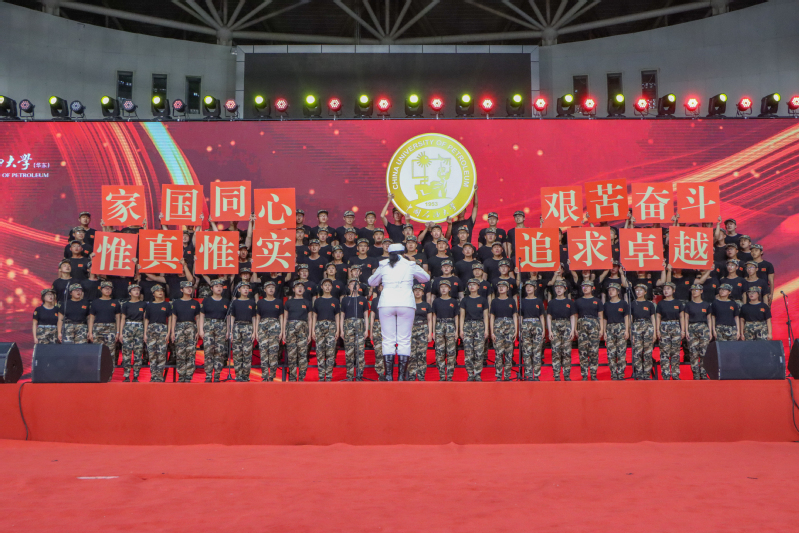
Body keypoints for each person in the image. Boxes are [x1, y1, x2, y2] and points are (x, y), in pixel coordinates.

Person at [367, 243, 431, 382]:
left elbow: (371, 282)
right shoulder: (410, 265)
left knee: (388, 339)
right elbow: (426, 278)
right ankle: (401, 376)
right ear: (403, 253)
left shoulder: (383, 265)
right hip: (405, 303)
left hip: (387, 303)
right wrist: (413, 262)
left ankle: (389, 376)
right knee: (404, 339)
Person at [199, 279, 230, 383]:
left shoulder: (226, 301)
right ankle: (208, 375)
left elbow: (228, 317)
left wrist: (228, 330)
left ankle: (217, 375)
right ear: (211, 288)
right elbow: (201, 315)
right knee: (208, 351)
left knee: (219, 352)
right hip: (208, 326)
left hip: (221, 326)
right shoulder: (206, 301)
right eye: (216, 286)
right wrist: (201, 330)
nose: (219, 288)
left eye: (220, 286)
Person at [169, 281, 200, 383]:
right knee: (180, 352)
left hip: (191, 327)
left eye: (190, 287)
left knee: (191, 352)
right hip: (179, 327)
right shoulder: (176, 303)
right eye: (186, 288)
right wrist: (172, 332)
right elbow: (174, 317)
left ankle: (189, 376)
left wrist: (198, 330)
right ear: (181, 290)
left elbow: (198, 318)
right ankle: (181, 375)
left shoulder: (195, 303)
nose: (189, 289)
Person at [459, 279, 489, 381]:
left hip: (479, 325)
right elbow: (462, 316)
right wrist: (461, 329)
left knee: (479, 352)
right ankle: (470, 374)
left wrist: (486, 329)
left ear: (478, 286)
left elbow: (485, 316)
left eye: (474, 285)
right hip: (468, 325)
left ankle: (477, 374)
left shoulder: (483, 300)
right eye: (470, 285)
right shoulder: (465, 300)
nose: (472, 287)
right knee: (468, 352)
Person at [255, 280, 285, 382]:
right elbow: (258, 318)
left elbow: (281, 317)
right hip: (263, 328)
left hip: (275, 327)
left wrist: (282, 331)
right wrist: (256, 331)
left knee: (273, 352)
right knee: (263, 352)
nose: (271, 289)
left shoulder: (278, 302)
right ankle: (264, 376)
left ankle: (272, 376)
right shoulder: (260, 302)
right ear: (264, 290)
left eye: (273, 287)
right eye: (269, 287)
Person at [546, 280, 576, 381]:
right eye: (557, 287)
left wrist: (572, 330)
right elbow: (549, 317)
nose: (558, 289)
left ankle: (566, 375)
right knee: (556, 352)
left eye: (561, 287)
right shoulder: (552, 302)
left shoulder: (569, 302)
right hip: (555, 326)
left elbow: (572, 316)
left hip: (567, 325)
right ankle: (556, 375)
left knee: (566, 352)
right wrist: (550, 331)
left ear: (565, 289)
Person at [312, 279, 341, 382]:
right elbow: (314, 316)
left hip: (331, 326)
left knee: (330, 352)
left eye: (329, 285)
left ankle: (328, 375)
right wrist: (313, 330)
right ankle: (321, 375)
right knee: (320, 351)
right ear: (322, 287)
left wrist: (337, 330)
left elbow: (337, 316)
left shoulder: (335, 301)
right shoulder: (317, 301)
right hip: (319, 326)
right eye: (325, 285)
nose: (327, 287)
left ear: (331, 287)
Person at [87, 281, 119, 372]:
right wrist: (90, 332)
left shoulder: (115, 302)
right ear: (101, 290)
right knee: (97, 351)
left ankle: (109, 373)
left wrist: (117, 332)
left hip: (111, 328)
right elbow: (91, 318)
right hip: (97, 328)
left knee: (110, 351)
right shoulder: (95, 302)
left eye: (110, 288)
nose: (108, 290)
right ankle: (97, 372)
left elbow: (118, 318)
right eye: (105, 288)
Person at [284, 281, 312, 381]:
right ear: (293, 289)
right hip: (290, 328)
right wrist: (284, 332)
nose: (299, 288)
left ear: (304, 290)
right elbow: (285, 318)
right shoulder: (288, 302)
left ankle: (301, 378)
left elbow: (310, 319)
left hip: (303, 329)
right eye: (297, 286)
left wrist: (309, 333)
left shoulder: (307, 302)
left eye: (301, 287)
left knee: (303, 354)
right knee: (291, 354)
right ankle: (292, 377)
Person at [682, 284, 712, 380]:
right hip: (692, 328)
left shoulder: (706, 305)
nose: (694, 292)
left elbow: (709, 319)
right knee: (693, 353)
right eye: (693, 290)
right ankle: (695, 374)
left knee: (704, 353)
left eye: (696, 290)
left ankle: (704, 374)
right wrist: (686, 331)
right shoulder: (688, 304)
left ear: (701, 291)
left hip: (704, 328)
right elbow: (686, 318)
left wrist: (710, 331)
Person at [575, 281, 603, 381]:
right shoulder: (578, 301)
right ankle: (584, 374)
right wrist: (575, 328)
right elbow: (576, 316)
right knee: (583, 351)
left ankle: (594, 374)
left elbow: (600, 316)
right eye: (583, 286)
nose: (585, 288)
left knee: (594, 351)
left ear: (592, 288)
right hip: (582, 325)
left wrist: (601, 329)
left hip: (594, 325)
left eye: (587, 286)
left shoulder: (597, 301)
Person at [490, 280, 518, 381]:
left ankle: (507, 375)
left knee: (509, 352)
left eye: (503, 286)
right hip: (498, 325)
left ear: (507, 288)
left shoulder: (511, 301)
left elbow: (515, 315)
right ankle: (498, 375)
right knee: (498, 352)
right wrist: (492, 332)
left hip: (509, 325)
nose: (501, 288)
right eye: (499, 286)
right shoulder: (494, 301)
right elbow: (492, 317)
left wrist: (516, 330)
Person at [655, 282, 684, 380]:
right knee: (664, 351)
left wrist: (683, 330)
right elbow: (658, 317)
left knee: (675, 352)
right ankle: (666, 374)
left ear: (673, 290)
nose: (666, 291)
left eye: (668, 289)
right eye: (664, 289)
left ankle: (675, 374)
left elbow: (682, 317)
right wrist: (658, 330)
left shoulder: (678, 303)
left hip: (675, 326)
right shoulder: (661, 303)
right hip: (664, 327)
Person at [228, 283, 257, 382]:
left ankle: (246, 375)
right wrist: (231, 331)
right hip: (237, 326)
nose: (246, 290)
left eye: (247, 288)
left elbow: (254, 318)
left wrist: (254, 331)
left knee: (247, 352)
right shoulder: (235, 302)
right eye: (243, 288)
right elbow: (232, 317)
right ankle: (238, 375)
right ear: (239, 290)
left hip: (248, 326)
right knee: (237, 352)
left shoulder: (252, 302)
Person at [518, 280, 545, 381]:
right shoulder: (522, 301)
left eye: (531, 286)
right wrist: (520, 329)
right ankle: (529, 374)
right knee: (526, 351)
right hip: (526, 324)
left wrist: (543, 329)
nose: (528, 288)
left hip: (537, 324)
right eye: (527, 287)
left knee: (537, 351)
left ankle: (536, 374)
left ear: (535, 288)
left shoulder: (538, 301)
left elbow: (542, 316)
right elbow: (520, 316)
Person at [431, 279, 458, 381]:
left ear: (449, 289)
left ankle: (450, 375)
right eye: (441, 287)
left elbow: (456, 316)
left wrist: (457, 330)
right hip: (439, 325)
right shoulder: (436, 301)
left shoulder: (453, 301)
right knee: (439, 352)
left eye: (445, 287)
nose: (443, 289)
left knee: (451, 352)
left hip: (450, 325)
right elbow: (434, 316)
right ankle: (442, 375)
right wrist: (433, 331)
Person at [341, 280, 368, 381]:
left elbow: (366, 315)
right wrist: (341, 330)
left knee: (360, 351)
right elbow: (342, 316)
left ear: (359, 286)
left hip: (360, 325)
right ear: (348, 286)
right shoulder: (345, 299)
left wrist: (366, 330)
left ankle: (360, 374)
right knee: (349, 352)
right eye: (352, 284)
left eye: (356, 284)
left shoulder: (363, 299)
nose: (354, 286)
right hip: (348, 325)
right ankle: (350, 375)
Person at [119, 284, 147, 382]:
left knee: (138, 352)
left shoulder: (143, 304)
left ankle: (136, 375)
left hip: (139, 327)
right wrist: (121, 332)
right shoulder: (126, 304)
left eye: (138, 290)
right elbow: (123, 318)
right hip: (128, 326)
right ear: (130, 292)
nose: (136, 292)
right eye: (134, 290)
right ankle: (126, 375)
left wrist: (145, 333)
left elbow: (145, 319)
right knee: (126, 352)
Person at [144, 285, 171, 382]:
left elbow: (170, 319)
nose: (160, 292)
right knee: (152, 353)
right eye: (157, 291)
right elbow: (146, 320)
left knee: (161, 353)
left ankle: (159, 376)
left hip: (163, 329)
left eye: (161, 290)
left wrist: (168, 332)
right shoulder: (149, 305)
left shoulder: (167, 305)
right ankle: (153, 375)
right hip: (151, 329)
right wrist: (145, 333)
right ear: (153, 293)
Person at [603, 283, 630, 380]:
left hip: (621, 327)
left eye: (613, 290)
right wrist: (604, 331)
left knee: (621, 352)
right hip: (610, 328)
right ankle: (613, 373)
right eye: (609, 290)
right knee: (611, 353)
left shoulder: (623, 303)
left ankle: (621, 373)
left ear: (618, 292)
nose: (611, 292)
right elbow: (604, 319)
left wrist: (627, 330)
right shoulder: (606, 304)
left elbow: (626, 317)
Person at [630, 284, 656, 380]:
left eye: (641, 290)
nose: (638, 292)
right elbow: (630, 319)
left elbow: (653, 318)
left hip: (648, 326)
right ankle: (639, 373)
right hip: (636, 326)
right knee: (637, 351)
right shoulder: (632, 304)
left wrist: (654, 332)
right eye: (637, 290)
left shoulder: (649, 304)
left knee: (648, 351)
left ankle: (647, 374)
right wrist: (631, 332)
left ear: (645, 292)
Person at [409, 284, 433, 381]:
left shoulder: (426, 305)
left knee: (422, 354)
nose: (418, 292)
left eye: (420, 290)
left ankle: (421, 376)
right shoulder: (409, 304)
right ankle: (411, 375)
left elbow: (430, 320)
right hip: (411, 329)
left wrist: (430, 333)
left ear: (423, 293)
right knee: (412, 354)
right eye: (416, 290)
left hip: (423, 329)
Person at [370, 285, 386, 380]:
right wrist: (371, 331)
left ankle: (388, 371)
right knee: (378, 349)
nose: (382, 287)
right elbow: (372, 316)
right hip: (377, 324)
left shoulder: (392, 299)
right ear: (378, 288)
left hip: (388, 325)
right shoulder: (375, 300)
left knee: (389, 349)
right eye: (381, 286)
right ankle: (380, 372)